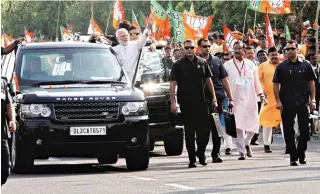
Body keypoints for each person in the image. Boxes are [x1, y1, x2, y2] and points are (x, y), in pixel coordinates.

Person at [170, 39, 218, 168]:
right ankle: (192, 159)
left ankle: (200, 153)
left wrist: (214, 98)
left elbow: (209, 81)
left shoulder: (202, 62)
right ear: (183, 49)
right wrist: (173, 102)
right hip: (186, 103)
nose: (189, 50)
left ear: (195, 48)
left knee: (204, 132)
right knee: (190, 133)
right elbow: (173, 84)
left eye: (191, 47)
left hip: (203, 102)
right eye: (187, 48)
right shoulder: (178, 65)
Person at [273, 41, 316, 166]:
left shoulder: (306, 65)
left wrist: (312, 99)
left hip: (303, 102)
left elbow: (311, 83)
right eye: (287, 49)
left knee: (305, 130)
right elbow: (276, 84)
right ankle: (293, 156)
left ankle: (301, 153)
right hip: (286, 102)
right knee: (288, 130)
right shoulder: (281, 67)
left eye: (292, 49)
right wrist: (278, 101)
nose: (289, 51)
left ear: (297, 49)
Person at [223, 41, 266, 160]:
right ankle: (241, 151)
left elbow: (256, 81)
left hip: (251, 97)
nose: (237, 51)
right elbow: (224, 82)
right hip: (234, 99)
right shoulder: (227, 65)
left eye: (239, 49)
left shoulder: (251, 64)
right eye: (235, 49)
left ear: (244, 51)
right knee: (238, 126)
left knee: (254, 124)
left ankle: (247, 142)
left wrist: (261, 94)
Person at [197, 38, 234, 163]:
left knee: (217, 129)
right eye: (204, 46)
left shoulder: (217, 61)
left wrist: (230, 98)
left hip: (217, 99)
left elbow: (225, 80)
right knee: (203, 130)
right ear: (199, 48)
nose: (206, 48)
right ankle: (201, 154)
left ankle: (216, 154)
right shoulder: (195, 62)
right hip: (201, 100)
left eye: (208, 46)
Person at [112, 14, 154, 82]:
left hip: (135, 81)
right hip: (119, 81)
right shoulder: (113, 50)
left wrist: (149, 26)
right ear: (117, 38)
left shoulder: (135, 45)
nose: (126, 37)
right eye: (123, 36)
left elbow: (144, 37)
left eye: (127, 35)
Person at [258, 47, 282, 153]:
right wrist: (262, 92)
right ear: (269, 56)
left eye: (276, 55)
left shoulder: (283, 65)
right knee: (267, 122)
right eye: (272, 55)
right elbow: (259, 80)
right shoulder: (263, 66)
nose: (275, 57)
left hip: (283, 98)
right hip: (268, 98)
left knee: (285, 122)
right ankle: (266, 145)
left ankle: (289, 144)